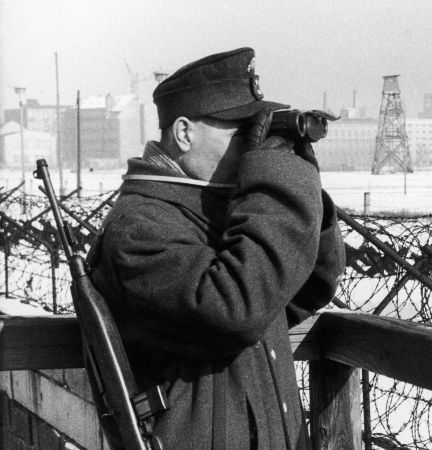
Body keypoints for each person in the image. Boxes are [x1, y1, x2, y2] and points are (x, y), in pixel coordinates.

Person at [88, 47, 345, 449]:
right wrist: (276, 181)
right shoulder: (138, 230)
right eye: (240, 132)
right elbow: (237, 309)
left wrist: (301, 185)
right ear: (184, 133)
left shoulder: (207, 212)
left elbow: (306, 288)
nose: (251, 145)